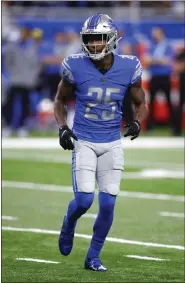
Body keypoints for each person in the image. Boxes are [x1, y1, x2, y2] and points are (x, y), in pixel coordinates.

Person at [54, 14, 148, 272]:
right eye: (90, 40)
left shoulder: (129, 66)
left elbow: (141, 102)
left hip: (112, 142)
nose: (94, 45)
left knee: (107, 204)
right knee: (84, 201)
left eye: (99, 39)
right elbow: (60, 99)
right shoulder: (75, 65)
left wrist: (138, 121)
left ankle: (93, 256)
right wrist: (63, 127)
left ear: (112, 39)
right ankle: (69, 222)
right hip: (84, 140)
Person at [143, 27, 174, 132]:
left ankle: (173, 125)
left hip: (165, 77)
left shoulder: (168, 45)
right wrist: (159, 61)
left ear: (161, 33)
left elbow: (167, 61)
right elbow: (146, 60)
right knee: (151, 102)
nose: (153, 35)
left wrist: (154, 60)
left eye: (155, 33)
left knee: (169, 101)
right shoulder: (152, 45)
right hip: (154, 77)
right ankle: (150, 126)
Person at [174, 48, 185, 136]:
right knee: (179, 106)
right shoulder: (181, 54)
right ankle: (177, 130)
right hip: (183, 86)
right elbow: (177, 68)